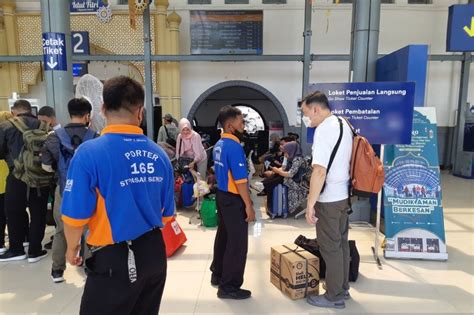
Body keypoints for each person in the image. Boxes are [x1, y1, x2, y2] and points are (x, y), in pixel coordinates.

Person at [61, 76, 174, 314]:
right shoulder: (160, 155)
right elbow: (167, 215)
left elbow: (74, 217)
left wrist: (72, 249)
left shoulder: (89, 153)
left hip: (114, 260)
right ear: (140, 112)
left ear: (102, 108)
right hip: (154, 255)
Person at [302, 91, 353, 310]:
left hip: (329, 199)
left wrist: (310, 204)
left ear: (315, 108)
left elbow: (320, 171)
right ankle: (342, 288)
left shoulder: (323, 130)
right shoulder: (344, 123)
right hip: (344, 196)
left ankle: (334, 296)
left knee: (330, 247)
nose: (306, 119)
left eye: (306, 113)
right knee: (341, 244)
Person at [41, 98, 97, 283]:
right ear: (87, 115)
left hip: (64, 189)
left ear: (69, 113)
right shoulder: (96, 137)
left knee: (61, 230)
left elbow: (46, 167)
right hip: (90, 190)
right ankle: (90, 266)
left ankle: (57, 271)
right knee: (90, 229)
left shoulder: (54, 137)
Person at [210, 105, 255, 300]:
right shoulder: (234, 146)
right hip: (233, 198)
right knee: (237, 244)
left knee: (224, 237)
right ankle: (229, 287)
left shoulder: (219, 144)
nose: (244, 126)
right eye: (241, 122)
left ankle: (218, 274)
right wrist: (248, 205)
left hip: (222, 196)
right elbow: (240, 181)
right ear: (230, 126)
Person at [0, 100, 52, 263]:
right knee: (38, 213)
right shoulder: (44, 126)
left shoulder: (6, 126)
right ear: (31, 111)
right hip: (41, 176)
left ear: (14, 111)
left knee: (14, 211)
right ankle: (35, 250)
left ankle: (17, 249)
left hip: (17, 175)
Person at [271, 142, 308, 214]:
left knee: (277, 179)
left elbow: (290, 174)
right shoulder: (292, 158)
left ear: (291, 150)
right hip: (293, 180)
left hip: (298, 184)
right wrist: (277, 170)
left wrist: (278, 171)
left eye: (286, 152)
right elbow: (284, 168)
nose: (284, 154)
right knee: (275, 178)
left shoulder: (297, 160)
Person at [0, 111, 13, 254]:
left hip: (2, 184)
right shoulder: (11, 139)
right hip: (8, 182)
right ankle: (24, 237)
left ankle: (1, 243)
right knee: (13, 212)